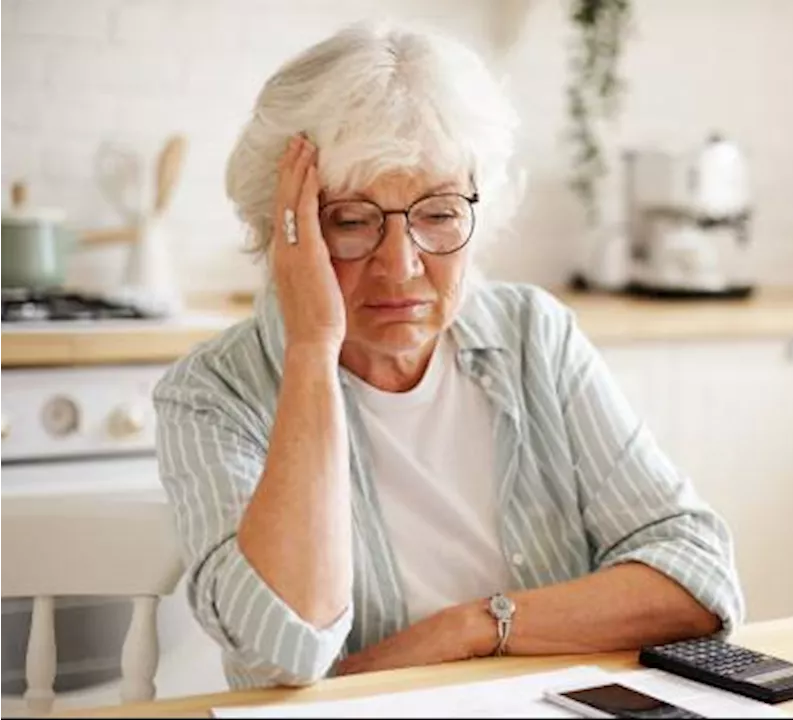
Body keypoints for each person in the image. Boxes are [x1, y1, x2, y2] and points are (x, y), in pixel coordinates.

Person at [152, 21, 744, 690]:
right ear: (282, 228)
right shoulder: (209, 394)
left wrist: (471, 629)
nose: (401, 267)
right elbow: (286, 652)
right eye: (350, 219)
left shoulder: (533, 336)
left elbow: (697, 579)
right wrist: (312, 351)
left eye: (436, 213)